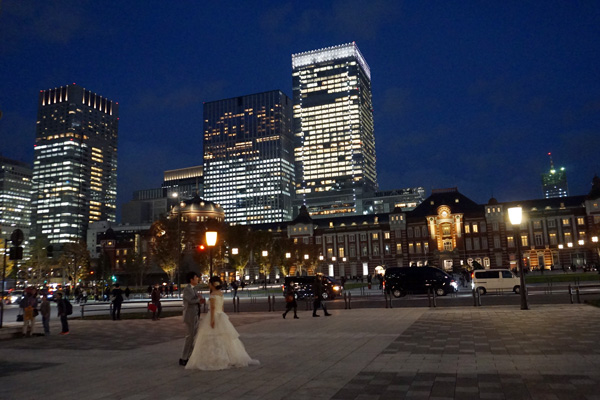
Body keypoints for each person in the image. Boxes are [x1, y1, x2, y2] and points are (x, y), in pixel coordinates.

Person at [185, 276, 259, 371]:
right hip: (221, 315)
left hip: (214, 316)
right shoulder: (220, 294)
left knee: (211, 337)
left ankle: (214, 358)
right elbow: (222, 307)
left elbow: (212, 309)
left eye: (209, 283)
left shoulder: (212, 295)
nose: (208, 285)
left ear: (212, 285)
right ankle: (231, 356)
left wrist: (212, 320)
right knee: (226, 338)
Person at [179, 271, 205, 366]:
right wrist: (199, 300)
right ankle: (183, 357)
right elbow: (190, 300)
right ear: (191, 279)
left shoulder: (194, 289)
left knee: (193, 336)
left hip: (195, 314)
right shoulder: (187, 289)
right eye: (196, 277)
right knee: (189, 337)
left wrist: (199, 299)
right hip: (190, 315)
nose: (197, 278)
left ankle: (189, 356)